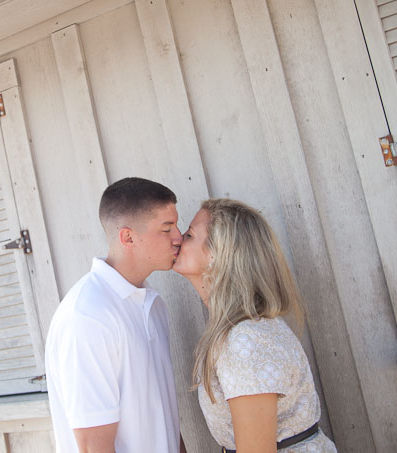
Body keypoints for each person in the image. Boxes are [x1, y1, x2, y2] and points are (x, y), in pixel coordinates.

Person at [172, 198, 337, 453]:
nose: (178, 238)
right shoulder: (245, 330)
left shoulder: (245, 341)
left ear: (219, 254)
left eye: (190, 234)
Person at [45, 177, 184, 453]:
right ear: (128, 237)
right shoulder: (88, 316)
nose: (179, 237)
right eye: (167, 229)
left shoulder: (153, 305)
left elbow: (164, 419)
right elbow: (93, 447)